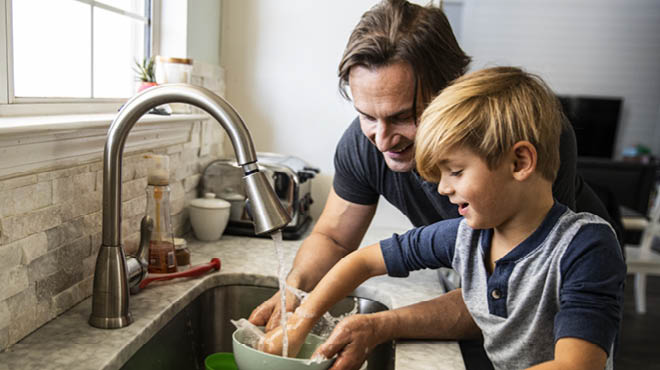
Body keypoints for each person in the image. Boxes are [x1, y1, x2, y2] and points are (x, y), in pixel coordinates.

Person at [248, 0, 621, 367]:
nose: (380, 139)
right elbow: (335, 239)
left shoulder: (537, 152)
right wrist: (295, 298)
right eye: (366, 116)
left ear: (452, 93)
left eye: (404, 117)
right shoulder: (462, 231)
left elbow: (509, 298)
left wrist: (382, 325)